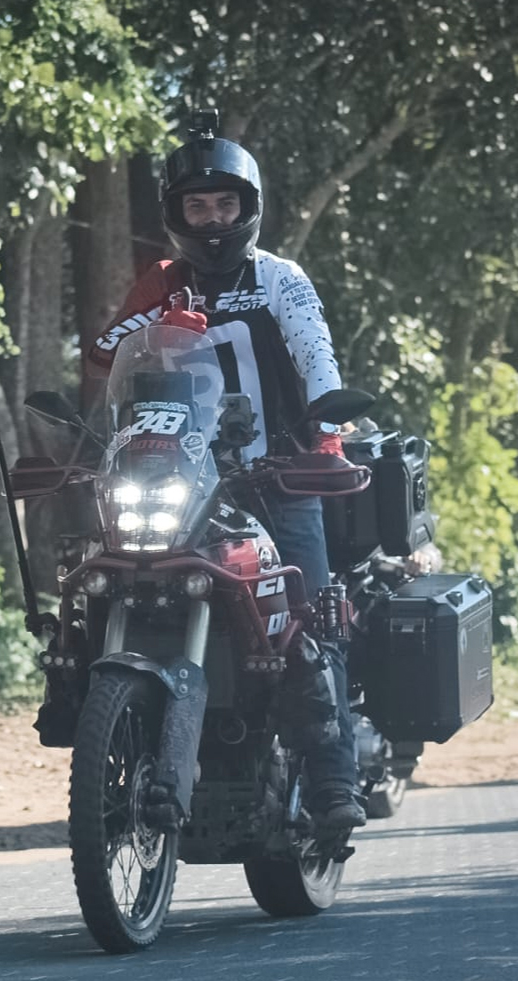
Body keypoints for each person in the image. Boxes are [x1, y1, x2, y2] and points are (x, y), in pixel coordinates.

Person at [82, 112, 364, 831]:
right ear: (177, 214)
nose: (212, 219)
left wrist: (326, 419)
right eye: (197, 206)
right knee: (108, 583)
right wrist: (160, 323)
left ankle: (336, 783)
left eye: (225, 204)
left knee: (310, 621)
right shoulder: (165, 280)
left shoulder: (279, 277)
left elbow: (314, 350)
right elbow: (110, 353)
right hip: (189, 477)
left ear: (249, 207)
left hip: (281, 473)